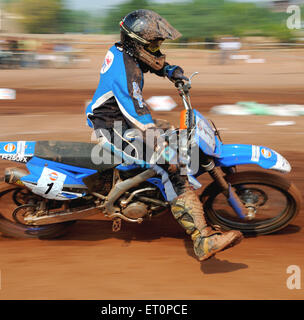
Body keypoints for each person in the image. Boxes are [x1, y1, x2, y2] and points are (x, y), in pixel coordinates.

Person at [85, 9, 243, 261]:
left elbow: (152, 62)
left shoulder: (122, 51)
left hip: (120, 120)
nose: (158, 47)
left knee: (171, 134)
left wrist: (172, 72)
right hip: (114, 129)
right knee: (173, 168)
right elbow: (139, 115)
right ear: (137, 43)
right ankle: (203, 239)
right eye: (154, 43)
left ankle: (152, 189)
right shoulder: (126, 73)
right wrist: (164, 151)